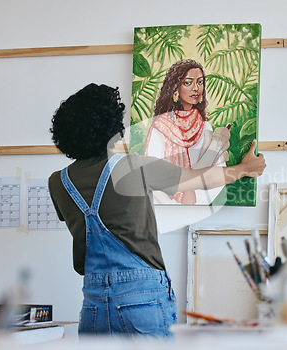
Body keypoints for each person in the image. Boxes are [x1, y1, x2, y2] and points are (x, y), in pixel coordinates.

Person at [47, 83, 265, 338]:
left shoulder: (58, 182)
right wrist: (243, 169)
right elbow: (197, 179)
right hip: (142, 301)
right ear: (111, 126)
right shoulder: (132, 166)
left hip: (94, 305)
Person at [145, 59, 231, 205]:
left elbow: (216, 173)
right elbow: (151, 174)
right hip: (164, 206)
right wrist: (172, 205)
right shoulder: (161, 127)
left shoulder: (205, 127)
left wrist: (216, 146)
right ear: (175, 88)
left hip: (197, 205)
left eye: (200, 82)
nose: (196, 88)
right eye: (188, 83)